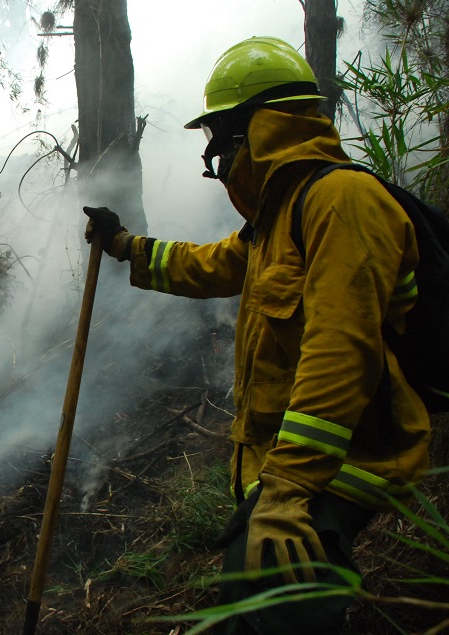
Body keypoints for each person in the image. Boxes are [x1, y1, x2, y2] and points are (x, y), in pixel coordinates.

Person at [83, 36, 431, 634]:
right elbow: (215, 263)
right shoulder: (283, 215)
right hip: (294, 469)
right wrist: (125, 246)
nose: (215, 152)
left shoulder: (341, 201)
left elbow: (340, 350)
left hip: (334, 467)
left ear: (258, 128)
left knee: (265, 619)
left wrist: (290, 489)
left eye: (219, 134)